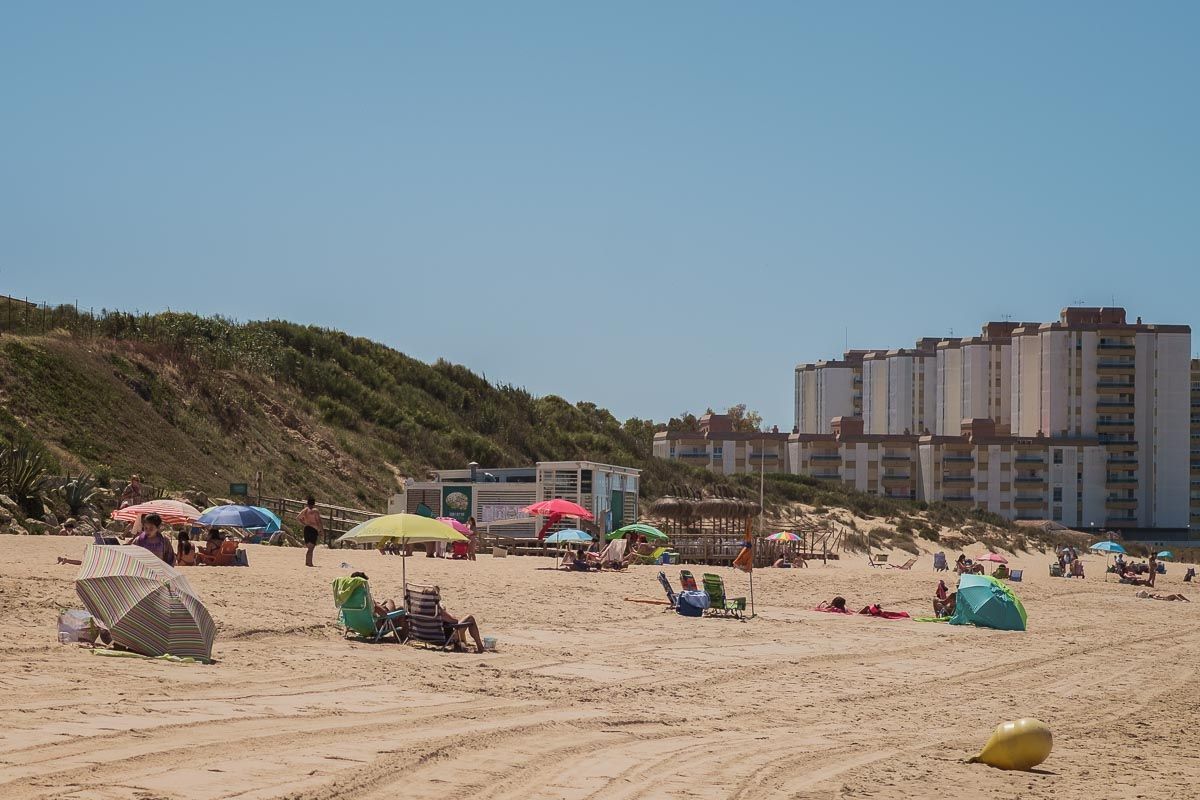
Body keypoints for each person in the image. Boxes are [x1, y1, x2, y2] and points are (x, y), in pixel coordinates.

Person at [297, 496, 322, 568]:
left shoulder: (305, 510)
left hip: (307, 528)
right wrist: (321, 530)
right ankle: (309, 563)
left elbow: (298, 518)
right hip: (313, 529)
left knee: (309, 547)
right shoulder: (315, 511)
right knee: (311, 548)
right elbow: (319, 521)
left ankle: (307, 562)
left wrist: (304, 523)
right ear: (314, 503)